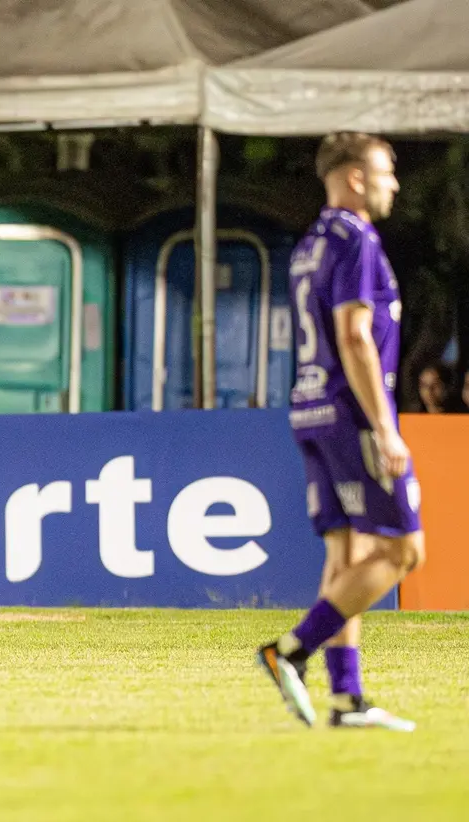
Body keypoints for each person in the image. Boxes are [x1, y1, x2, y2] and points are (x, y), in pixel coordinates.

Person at [259, 133, 422, 731]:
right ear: (355, 178)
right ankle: (290, 652)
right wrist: (385, 425)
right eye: (386, 171)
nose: (394, 183)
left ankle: (348, 700)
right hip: (351, 412)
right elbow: (354, 336)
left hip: (309, 407)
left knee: (346, 553)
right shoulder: (357, 239)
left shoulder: (310, 245)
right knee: (404, 551)